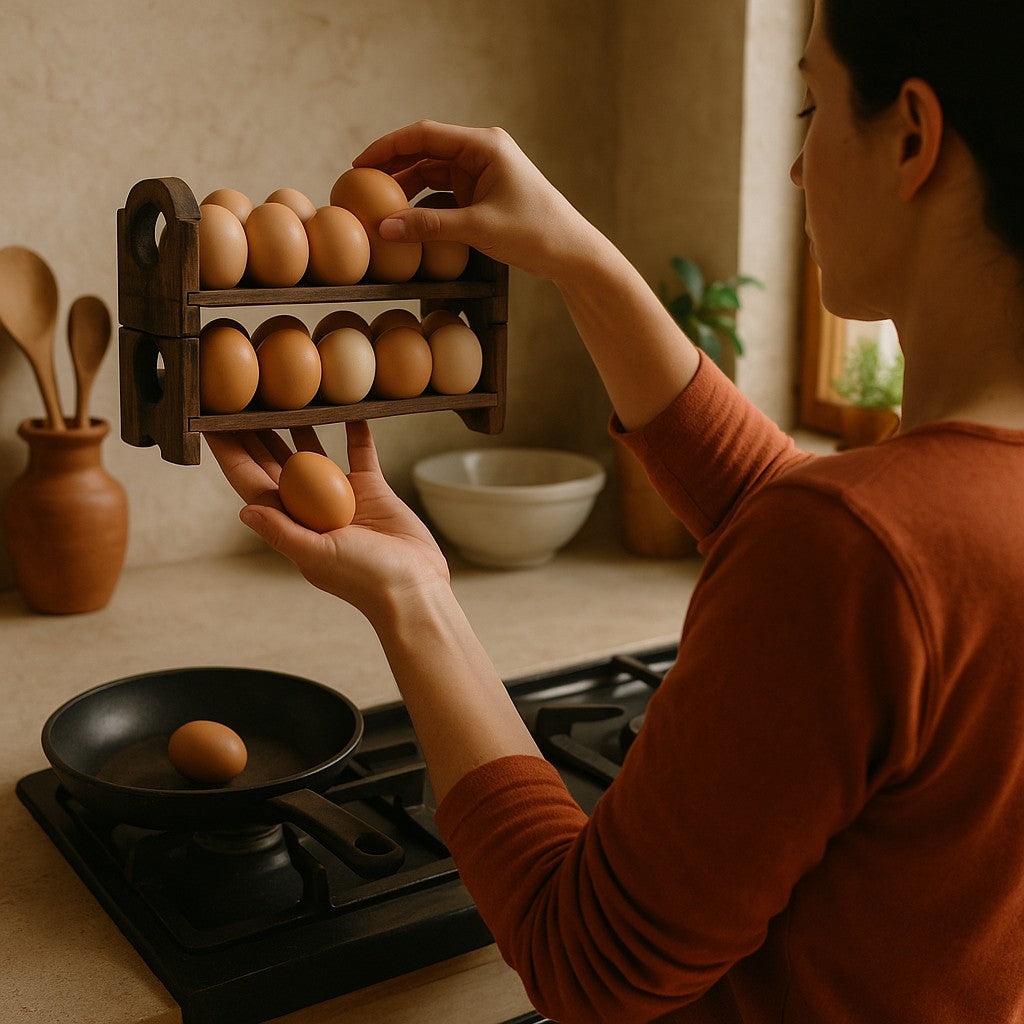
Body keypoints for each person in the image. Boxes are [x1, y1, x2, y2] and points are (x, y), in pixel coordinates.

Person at [206, 0, 1024, 1019]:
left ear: (911, 135)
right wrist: (580, 258)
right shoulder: (904, 535)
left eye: (812, 106)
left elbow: (591, 959)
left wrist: (415, 602)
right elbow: (849, 545)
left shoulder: (856, 553)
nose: (796, 167)